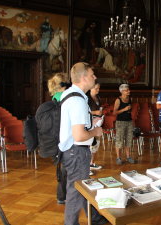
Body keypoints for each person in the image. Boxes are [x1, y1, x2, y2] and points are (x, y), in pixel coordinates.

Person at [59, 62, 107, 225]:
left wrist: (90, 122)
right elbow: (79, 136)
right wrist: (95, 131)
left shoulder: (70, 94)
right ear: (84, 77)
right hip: (76, 151)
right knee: (75, 192)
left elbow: (77, 126)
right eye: (92, 74)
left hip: (73, 151)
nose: (95, 77)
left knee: (81, 188)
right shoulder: (78, 101)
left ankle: (93, 218)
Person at [47, 72, 69, 205]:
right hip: (65, 135)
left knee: (63, 167)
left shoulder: (55, 96)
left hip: (57, 136)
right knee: (67, 168)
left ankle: (61, 196)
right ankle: (63, 196)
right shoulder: (64, 96)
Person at [113, 84, 136, 165]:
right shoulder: (118, 100)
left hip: (129, 122)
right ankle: (118, 158)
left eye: (128, 90)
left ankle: (128, 157)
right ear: (122, 91)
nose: (129, 91)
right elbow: (114, 112)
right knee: (119, 140)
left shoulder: (130, 99)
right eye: (127, 90)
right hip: (120, 122)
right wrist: (124, 109)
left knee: (129, 139)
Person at [87, 83, 103, 175]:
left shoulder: (98, 98)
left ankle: (91, 163)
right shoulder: (87, 98)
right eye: (96, 88)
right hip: (90, 123)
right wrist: (95, 112)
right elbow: (85, 112)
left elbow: (100, 108)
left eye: (99, 88)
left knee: (96, 144)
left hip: (98, 122)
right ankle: (86, 166)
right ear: (91, 88)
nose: (98, 90)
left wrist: (100, 113)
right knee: (89, 144)